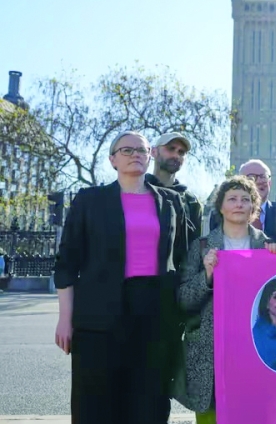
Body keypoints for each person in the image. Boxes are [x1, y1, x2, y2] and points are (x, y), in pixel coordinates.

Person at [53, 131, 190, 424]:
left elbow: (182, 259)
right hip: (99, 316)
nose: (135, 154)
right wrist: (66, 318)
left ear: (150, 155)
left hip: (154, 315)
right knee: (96, 404)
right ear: (112, 159)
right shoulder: (90, 200)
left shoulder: (172, 203)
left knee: (149, 401)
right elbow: (67, 262)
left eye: (141, 149)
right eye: (126, 150)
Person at [177, 176, 276, 423]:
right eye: (232, 199)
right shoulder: (201, 247)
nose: (238, 204)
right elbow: (183, 300)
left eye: (245, 200)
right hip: (211, 357)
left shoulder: (268, 248)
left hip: (256, 353)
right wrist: (207, 276)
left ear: (254, 207)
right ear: (221, 206)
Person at [148, 132, 203, 243]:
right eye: (171, 149)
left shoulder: (191, 201)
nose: (176, 155)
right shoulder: (138, 191)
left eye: (181, 152)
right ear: (153, 152)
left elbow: (194, 248)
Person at [209, 159, 276, 234]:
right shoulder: (221, 213)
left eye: (263, 176)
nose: (259, 181)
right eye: (251, 177)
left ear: (269, 183)